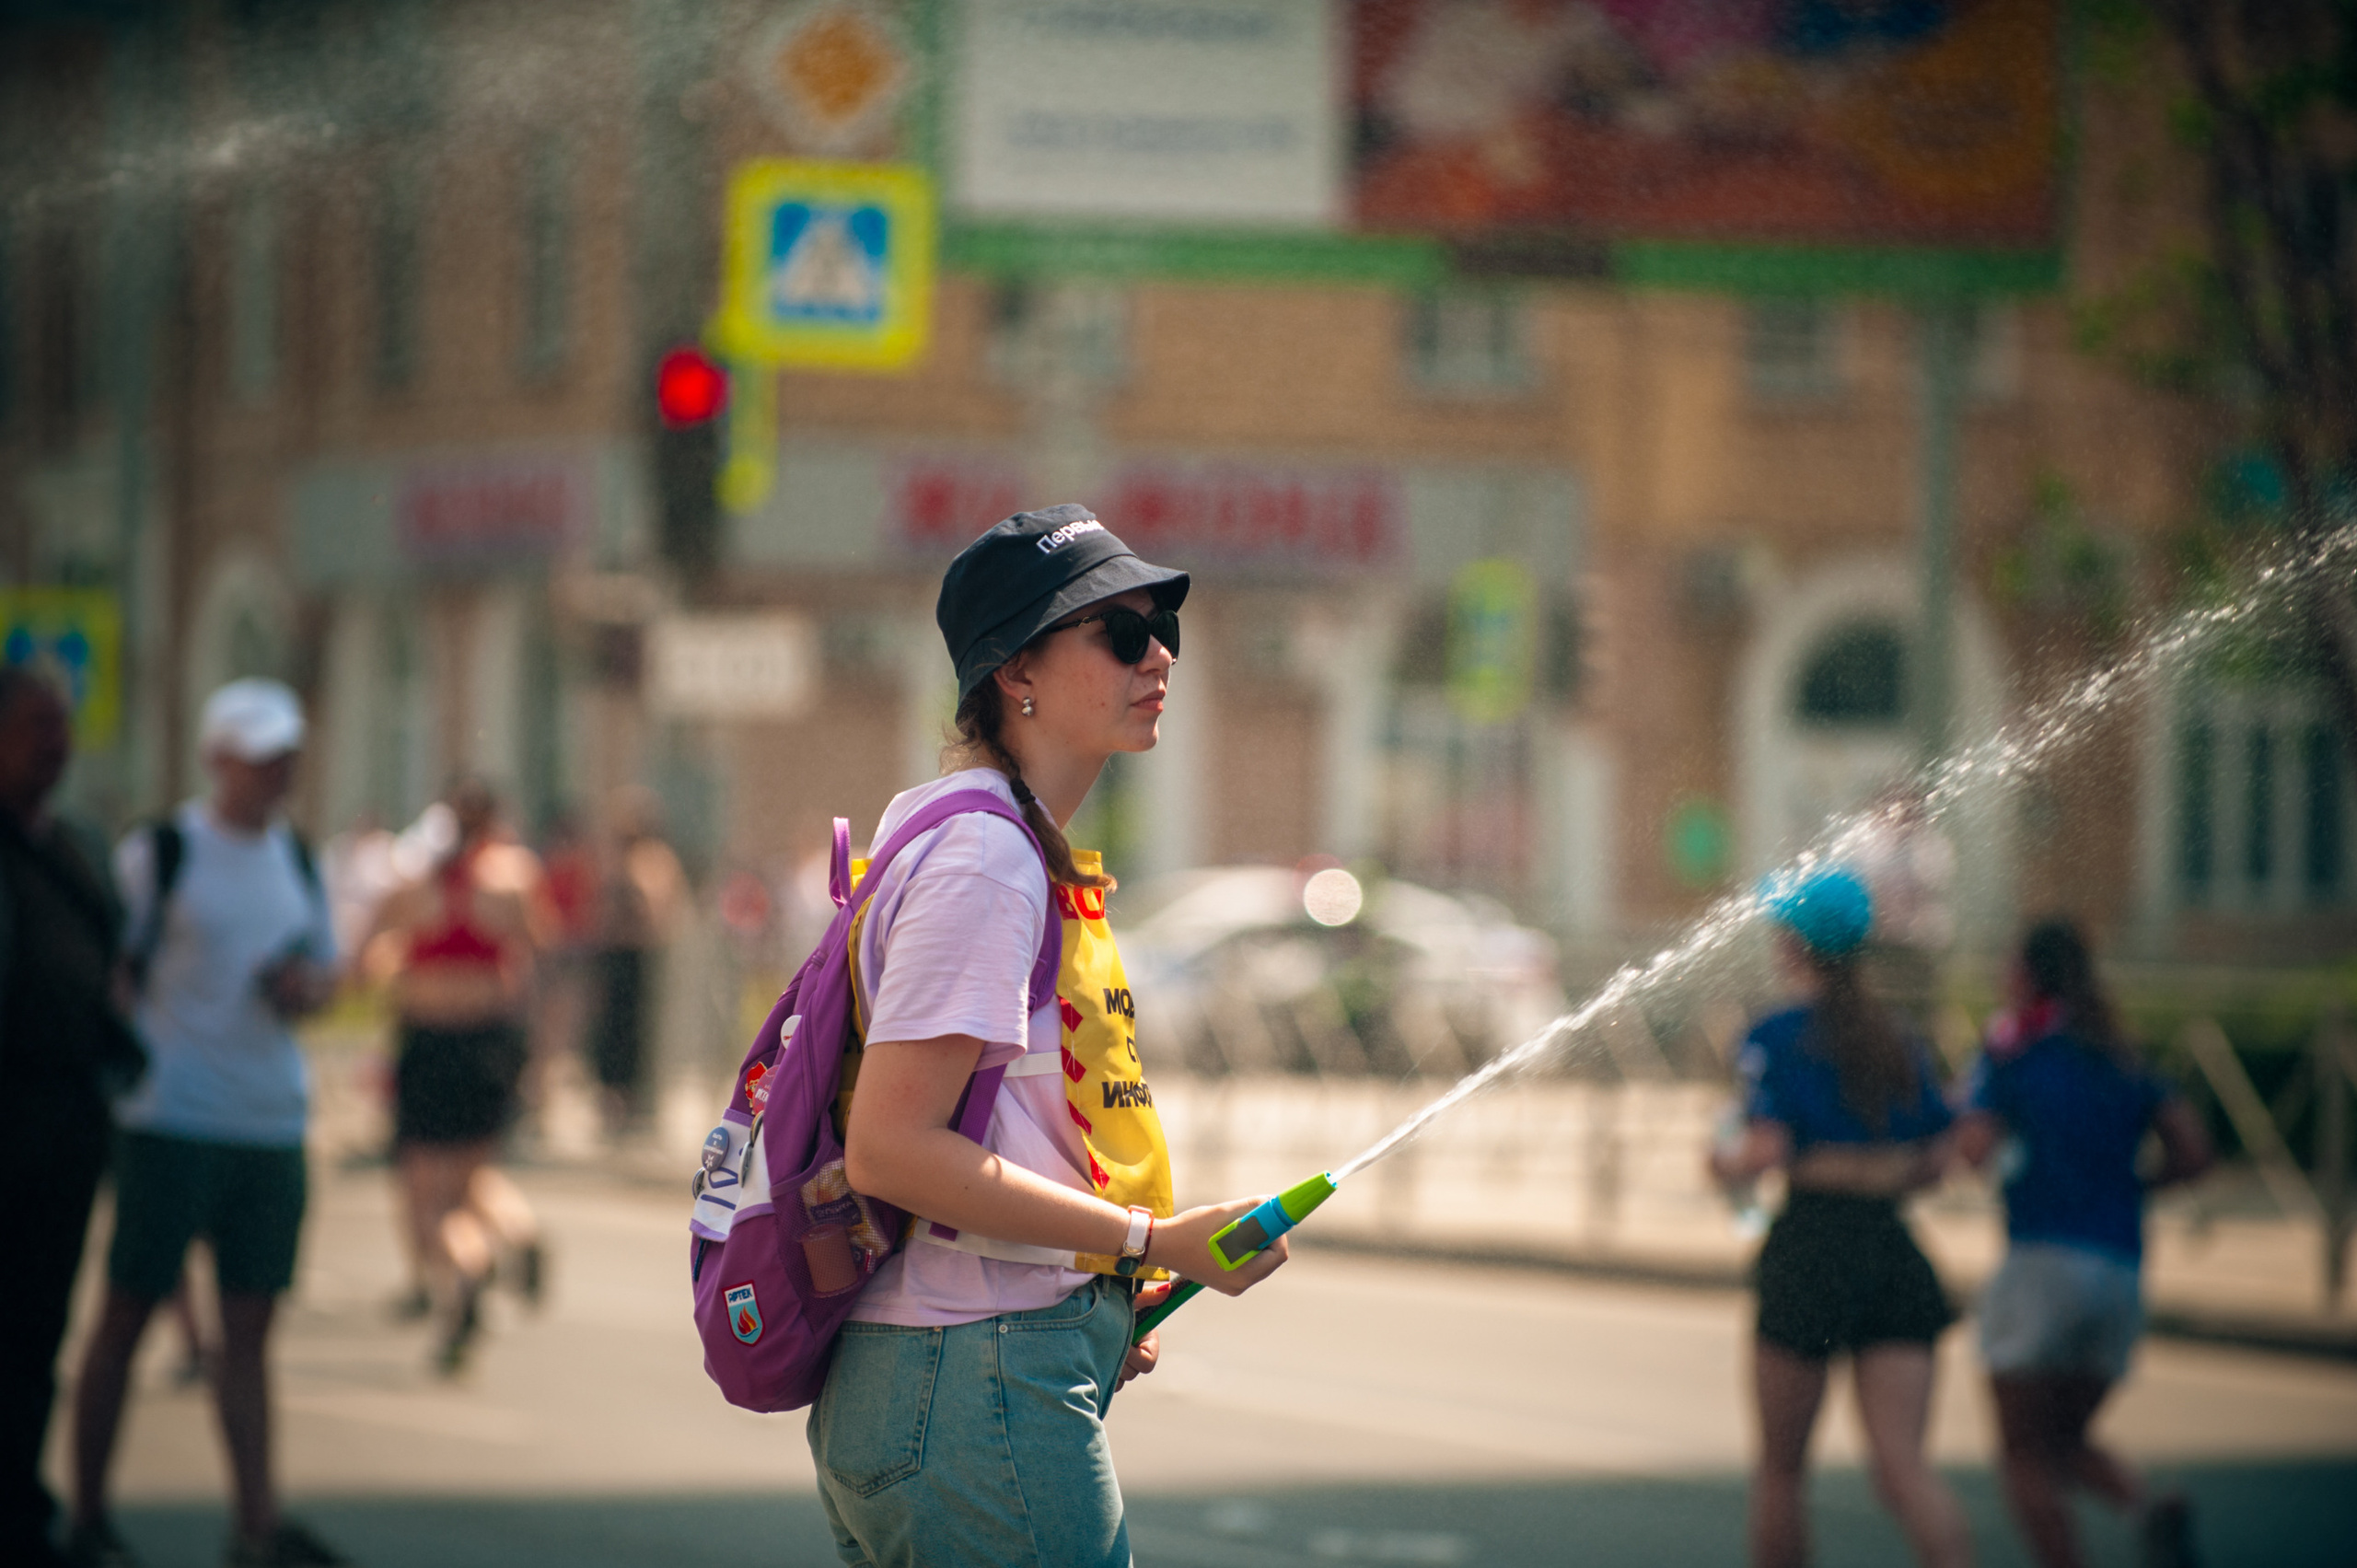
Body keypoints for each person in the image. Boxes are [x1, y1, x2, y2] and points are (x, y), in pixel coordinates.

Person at [810, 505, 1289, 1567]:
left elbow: (1011, 1117)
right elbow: (892, 1148)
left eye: (1163, 625)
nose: (1158, 652)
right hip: (966, 1377)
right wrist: (1145, 1242)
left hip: (951, 1377)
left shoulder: (988, 837)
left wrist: (1111, 1291)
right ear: (1015, 668)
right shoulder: (985, 860)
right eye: (1118, 632)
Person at [68, 679, 343, 1568]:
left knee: (251, 1325)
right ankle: (87, 1515)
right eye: (262, 756)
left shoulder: (298, 858)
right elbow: (112, 965)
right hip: (171, 1115)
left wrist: (305, 989)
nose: (278, 772)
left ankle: (256, 1525)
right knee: (127, 1310)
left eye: (286, 757)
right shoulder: (163, 851)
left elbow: (326, 972)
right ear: (217, 758)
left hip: (268, 1121)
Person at [1710, 865, 1972, 1568]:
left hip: (1810, 1250)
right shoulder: (1897, 1034)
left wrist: (1721, 1161)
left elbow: (1764, 1149)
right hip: (1892, 1248)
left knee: (1782, 1471)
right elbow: (1941, 1152)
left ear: (1793, 945)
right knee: (1903, 1467)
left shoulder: (1774, 1032)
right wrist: (1876, 1169)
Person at [1955, 920, 2213, 1568]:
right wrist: (2132, 1185)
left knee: (2022, 1452)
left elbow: (1974, 1149)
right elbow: (2195, 1151)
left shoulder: (2013, 1050)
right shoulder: (2121, 1052)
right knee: (2063, 1441)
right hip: (2120, 1267)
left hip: (2040, 1259)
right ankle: (2147, 1507)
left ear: (2029, 976)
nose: (1999, 977)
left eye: (2007, 965)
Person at [0, 664, 142, 1568]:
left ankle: (19, 1508)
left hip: (64, 1116)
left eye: (62, 724)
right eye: (36, 724)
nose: (58, 742)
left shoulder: (77, 840)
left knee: (36, 1322)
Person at [360, 779, 547, 1373]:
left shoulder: (414, 887)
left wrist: (398, 963)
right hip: (490, 1043)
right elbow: (542, 953)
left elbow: (365, 960)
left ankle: (465, 1274)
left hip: (431, 1042)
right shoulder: (515, 881)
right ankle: (519, 1232)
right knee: (473, 1176)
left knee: (428, 1195)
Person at [585, 787, 683, 1140]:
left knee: (638, 1033)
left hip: (641, 960)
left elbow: (658, 910)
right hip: (612, 958)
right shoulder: (614, 859)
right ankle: (611, 1099)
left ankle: (637, 1102)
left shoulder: (654, 860)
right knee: (608, 1033)